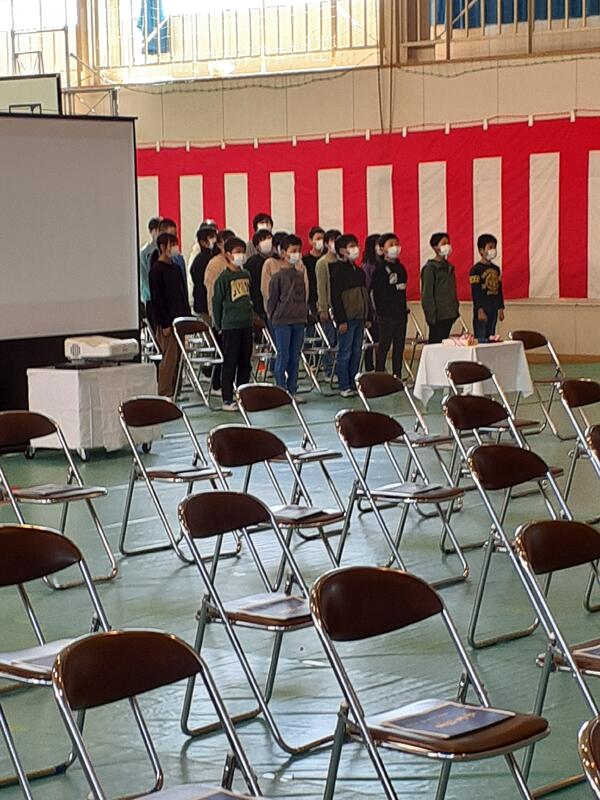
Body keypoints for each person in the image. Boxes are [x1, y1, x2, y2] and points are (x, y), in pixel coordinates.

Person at [212, 237, 254, 412]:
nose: (241, 255)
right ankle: (227, 399)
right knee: (230, 362)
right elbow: (217, 302)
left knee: (245, 362)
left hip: (246, 324)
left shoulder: (246, 275)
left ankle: (242, 395)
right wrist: (218, 324)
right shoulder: (223, 278)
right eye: (237, 252)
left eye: (242, 252)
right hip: (230, 326)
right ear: (228, 254)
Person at [149, 232, 191, 398]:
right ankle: (165, 391)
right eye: (171, 244)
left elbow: (182, 293)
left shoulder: (175, 268)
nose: (174, 248)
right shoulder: (156, 270)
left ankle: (176, 391)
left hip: (180, 320)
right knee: (169, 359)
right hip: (167, 322)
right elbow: (157, 300)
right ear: (162, 247)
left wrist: (187, 316)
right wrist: (164, 323)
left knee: (179, 358)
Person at [267, 234, 308, 400]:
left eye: (298, 250)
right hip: (282, 321)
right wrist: (273, 316)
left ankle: (292, 389)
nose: (296, 254)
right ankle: (281, 390)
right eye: (293, 250)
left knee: (295, 357)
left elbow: (302, 296)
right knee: (283, 355)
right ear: (283, 252)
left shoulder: (300, 274)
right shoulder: (277, 277)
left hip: (299, 320)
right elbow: (272, 300)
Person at [330, 234, 370, 398]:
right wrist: (341, 320)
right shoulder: (337, 271)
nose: (355, 249)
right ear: (342, 251)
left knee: (356, 352)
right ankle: (344, 385)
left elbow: (365, 295)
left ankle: (354, 383)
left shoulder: (359, 272)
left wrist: (367, 316)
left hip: (360, 317)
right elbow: (336, 298)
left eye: (356, 246)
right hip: (347, 319)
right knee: (345, 352)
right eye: (351, 246)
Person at [371, 233, 408, 377]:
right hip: (386, 315)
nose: (395, 247)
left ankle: (397, 375)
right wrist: (380, 311)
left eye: (396, 244)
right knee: (384, 346)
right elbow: (375, 293)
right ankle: (379, 374)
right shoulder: (380, 270)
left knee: (399, 347)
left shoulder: (401, 268)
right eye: (391, 244)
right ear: (382, 249)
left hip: (400, 314)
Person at [421, 232, 459, 344]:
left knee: (445, 344)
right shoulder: (430, 268)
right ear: (435, 247)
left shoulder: (449, 267)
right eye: (443, 243)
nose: (447, 246)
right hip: (437, 316)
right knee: (435, 343)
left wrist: (455, 308)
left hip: (449, 313)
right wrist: (431, 316)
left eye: (448, 243)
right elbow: (427, 294)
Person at [315, 228, 341, 376]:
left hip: (341, 307)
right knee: (329, 339)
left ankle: (339, 369)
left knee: (340, 341)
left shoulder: (341, 262)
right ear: (326, 244)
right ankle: (328, 369)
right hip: (329, 308)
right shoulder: (322, 263)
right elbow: (321, 287)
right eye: (333, 241)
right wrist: (323, 308)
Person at [261, 232, 308, 312]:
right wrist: (275, 310)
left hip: (297, 311)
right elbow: (266, 290)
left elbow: (305, 287)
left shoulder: (299, 264)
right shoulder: (269, 263)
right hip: (279, 312)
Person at [470, 234, 505, 341]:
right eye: (490, 247)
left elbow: (499, 290)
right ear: (481, 250)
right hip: (482, 308)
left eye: (494, 247)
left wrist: (501, 308)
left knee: (491, 337)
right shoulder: (476, 270)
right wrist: (479, 310)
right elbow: (475, 292)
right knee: (481, 338)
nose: (493, 250)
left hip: (493, 308)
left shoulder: (496, 269)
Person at [361, 233, 381, 372]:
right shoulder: (367, 267)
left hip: (383, 309)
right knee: (371, 339)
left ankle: (380, 366)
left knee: (381, 340)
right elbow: (367, 291)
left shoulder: (382, 265)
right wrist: (368, 313)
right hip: (372, 310)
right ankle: (369, 367)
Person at [189, 223, 217, 322]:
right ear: (202, 242)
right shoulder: (203, 260)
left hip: (202, 304)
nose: (214, 240)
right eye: (211, 237)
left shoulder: (203, 258)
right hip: (204, 305)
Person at [245, 228, 273, 323]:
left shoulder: (277, 261)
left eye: (269, 238)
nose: (267, 241)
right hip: (258, 305)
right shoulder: (252, 263)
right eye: (263, 239)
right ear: (257, 246)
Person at [158, 218, 188, 299]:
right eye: (171, 235)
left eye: (175, 235)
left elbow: (183, 287)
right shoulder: (154, 259)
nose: (173, 239)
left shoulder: (179, 258)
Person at [139, 216, 161, 324]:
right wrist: (151, 294)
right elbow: (144, 277)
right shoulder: (144, 252)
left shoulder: (165, 249)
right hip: (150, 298)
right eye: (156, 230)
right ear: (151, 231)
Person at [302, 226, 325, 318]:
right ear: (310, 241)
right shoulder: (304, 260)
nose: (321, 241)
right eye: (318, 238)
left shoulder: (326, 259)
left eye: (323, 239)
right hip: (311, 298)